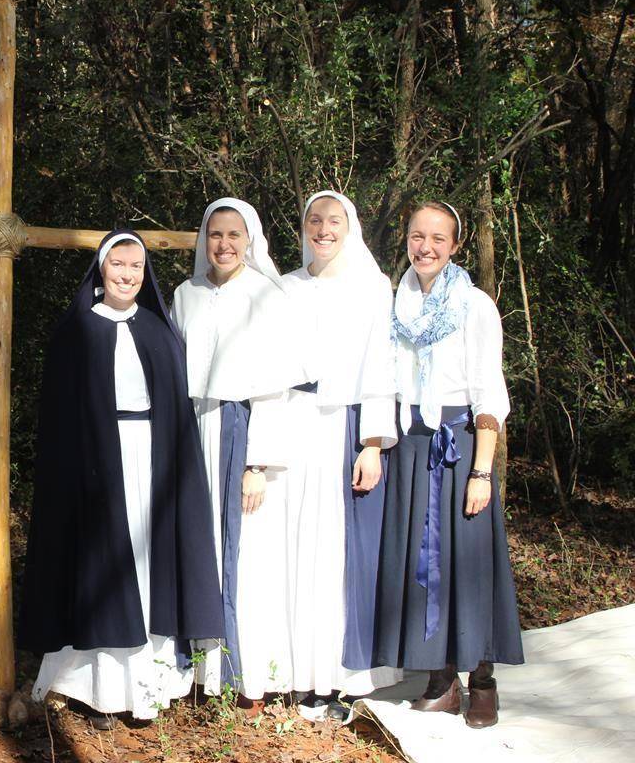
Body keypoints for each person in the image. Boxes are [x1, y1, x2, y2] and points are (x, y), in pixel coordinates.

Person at [18, 230, 224, 729]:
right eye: (118, 265)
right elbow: (60, 420)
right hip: (94, 466)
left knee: (147, 564)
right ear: (101, 269)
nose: (127, 275)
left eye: (135, 266)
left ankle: (148, 686)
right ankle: (99, 690)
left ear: (144, 272)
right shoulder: (75, 332)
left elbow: (175, 411)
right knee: (102, 566)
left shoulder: (158, 330)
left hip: (150, 462)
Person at [373, 201, 524, 728]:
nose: (426, 247)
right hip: (413, 448)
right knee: (423, 562)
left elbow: (489, 392)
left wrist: (482, 470)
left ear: (455, 246)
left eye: (439, 238)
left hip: (460, 448)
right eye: (418, 236)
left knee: (468, 561)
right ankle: (440, 679)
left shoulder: (474, 305)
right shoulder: (399, 304)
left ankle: (481, 680)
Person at [168, 198, 304, 707]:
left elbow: (274, 389)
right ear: (203, 238)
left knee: (245, 553)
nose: (223, 245)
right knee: (200, 545)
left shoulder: (265, 295)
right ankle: (202, 672)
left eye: (234, 235)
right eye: (215, 234)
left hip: (239, 429)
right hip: (193, 426)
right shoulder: (186, 294)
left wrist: (256, 464)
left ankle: (245, 675)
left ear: (250, 240)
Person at [275, 191, 401, 720]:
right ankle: (292, 668)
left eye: (334, 221)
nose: (323, 229)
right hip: (290, 424)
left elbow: (380, 363)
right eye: (314, 220)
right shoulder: (283, 285)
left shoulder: (371, 287)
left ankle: (332, 677)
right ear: (302, 226)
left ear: (350, 226)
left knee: (335, 554)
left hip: (344, 428)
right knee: (293, 547)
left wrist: (372, 443)